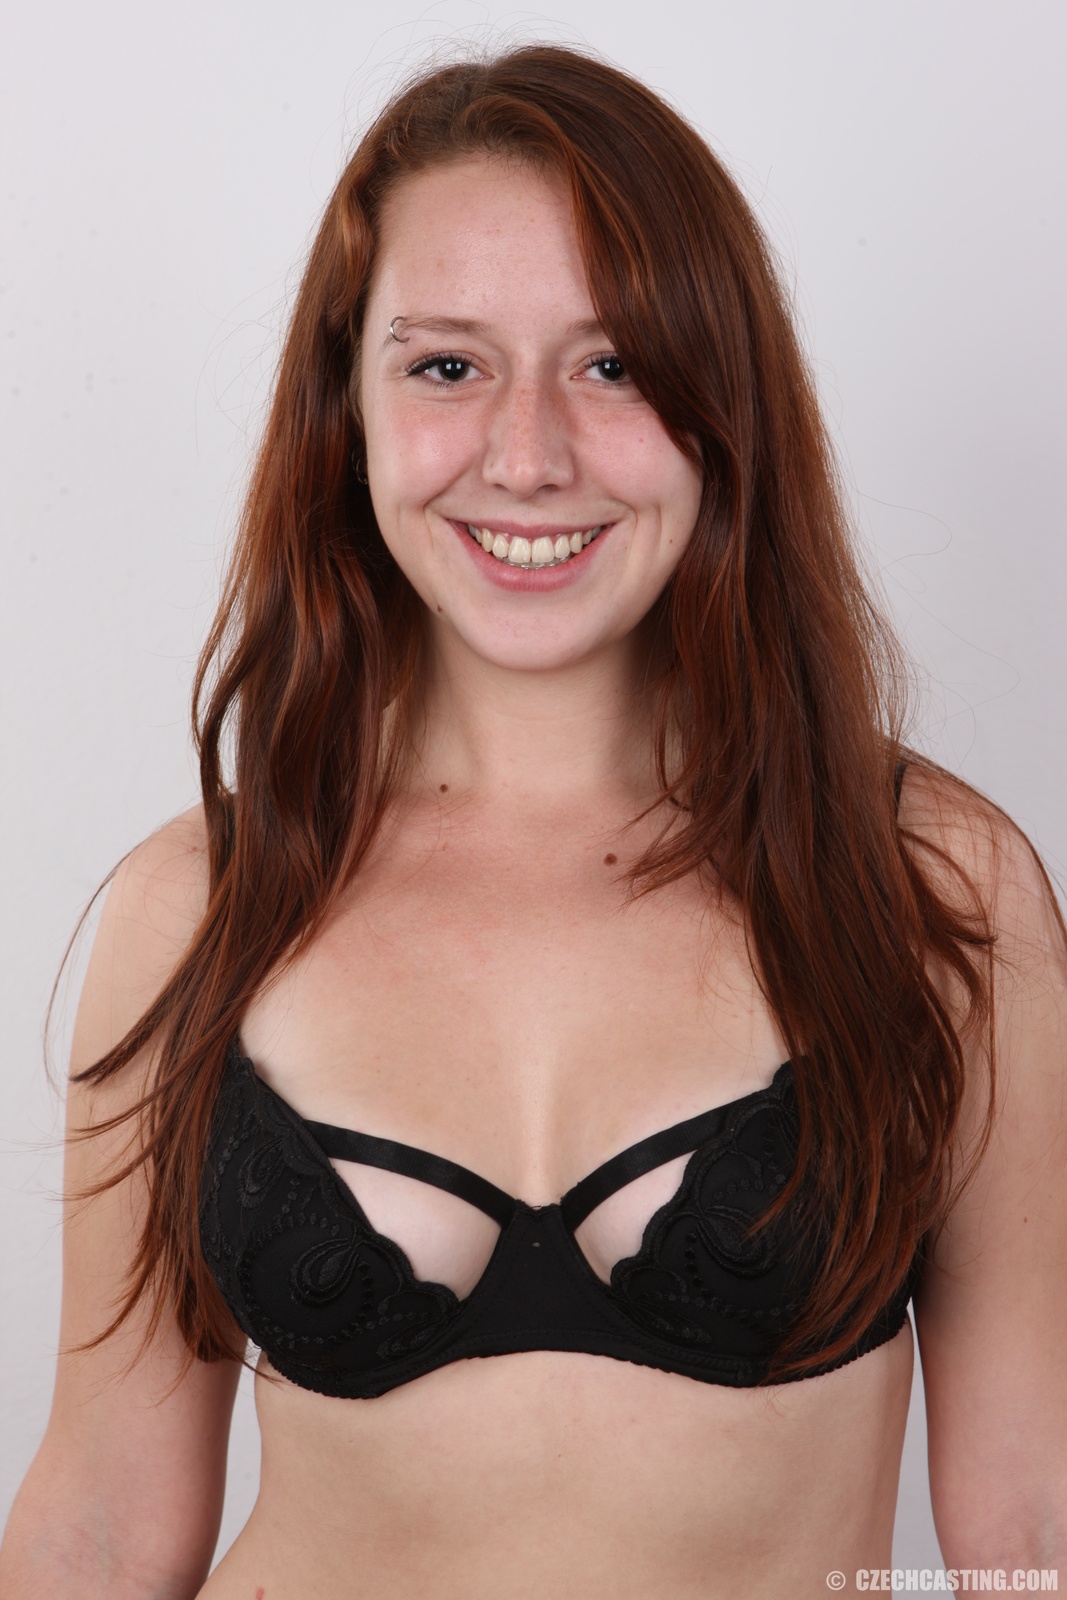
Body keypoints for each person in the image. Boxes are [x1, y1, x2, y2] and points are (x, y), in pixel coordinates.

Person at [1, 42, 1064, 1600]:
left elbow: (1032, 1527)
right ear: (346, 408)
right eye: (447, 367)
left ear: (722, 402)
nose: (526, 455)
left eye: (613, 364)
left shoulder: (927, 886)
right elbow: (100, 1523)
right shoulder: (206, 902)